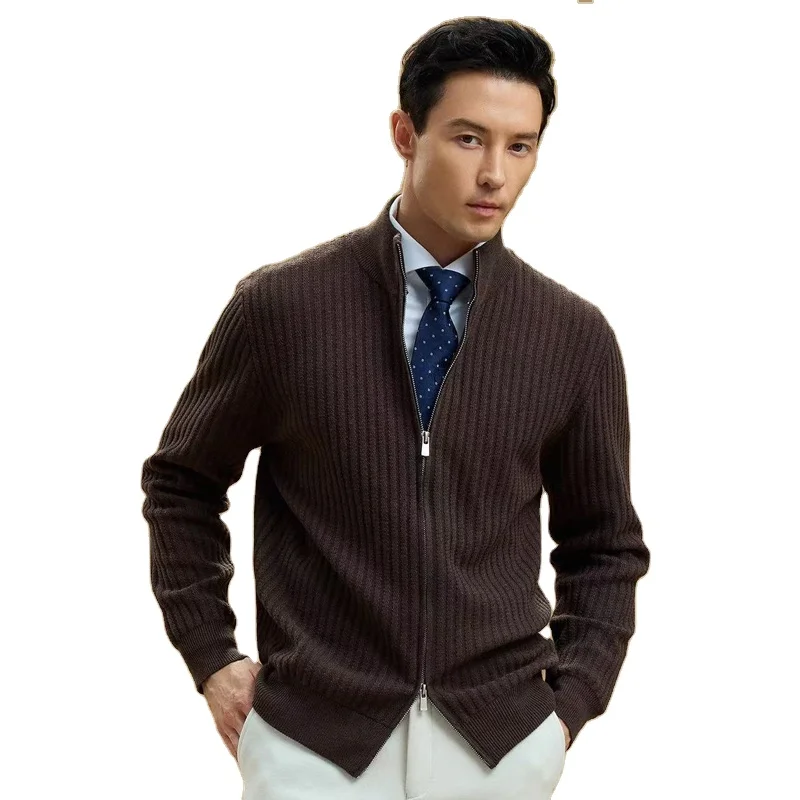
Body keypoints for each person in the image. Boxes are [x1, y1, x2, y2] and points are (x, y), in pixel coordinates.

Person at [141, 15, 650, 800]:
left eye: (521, 146)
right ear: (405, 134)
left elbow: (605, 545)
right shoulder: (283, 308)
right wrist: (212, 657)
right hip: (314, 745)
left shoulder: (572, 337)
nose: (495, 175)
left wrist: (567, 710)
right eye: (469, 138)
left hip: (499, 747)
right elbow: (181, 484)